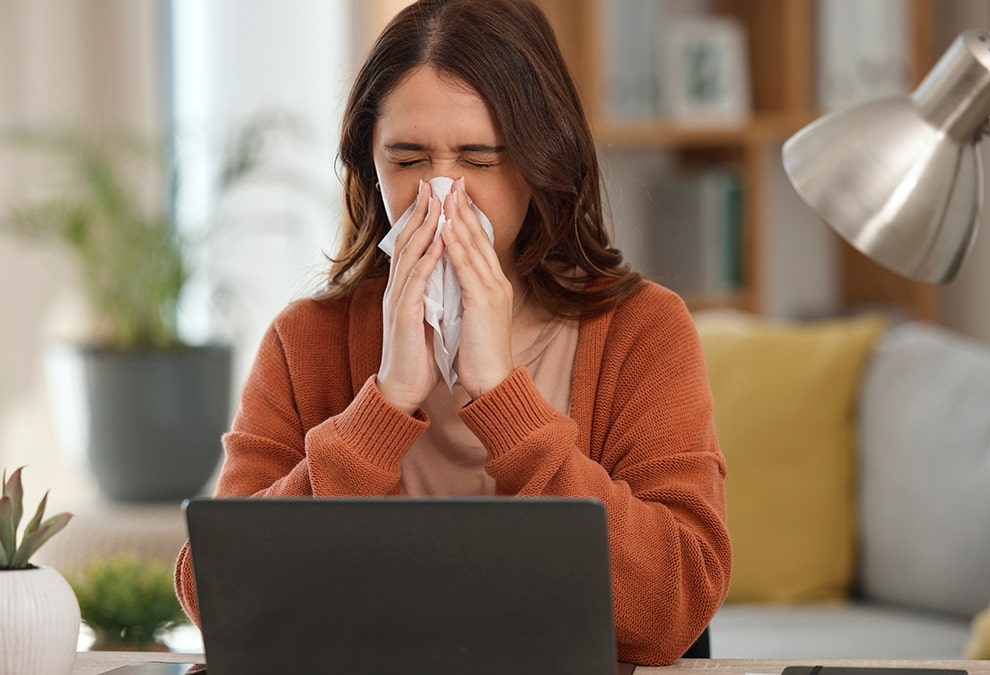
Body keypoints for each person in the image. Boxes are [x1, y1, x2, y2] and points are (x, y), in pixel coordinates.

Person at [174, 0, 730, 665]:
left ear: (539, 164)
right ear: (368, 166)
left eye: (480, 159)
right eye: (407, 159)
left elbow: (673, 608)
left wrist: (503, 397)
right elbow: (219, 602)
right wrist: (382, 404)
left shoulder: (643, 331)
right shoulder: (304, 342)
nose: (442, 196)